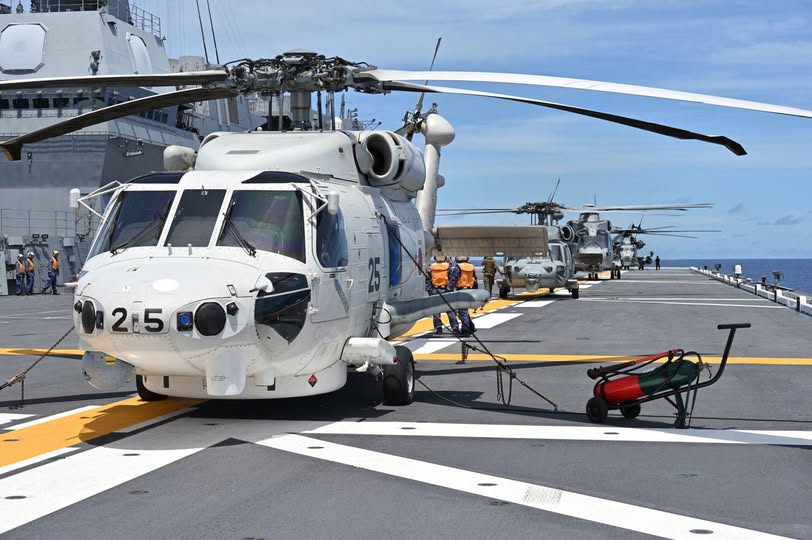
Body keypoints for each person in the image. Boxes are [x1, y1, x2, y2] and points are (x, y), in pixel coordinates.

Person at [427, 256, 459, 335]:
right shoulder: (448, 267)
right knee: (450, 310)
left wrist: (429, 290)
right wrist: (450, 289)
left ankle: (439, 328)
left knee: (436, 310)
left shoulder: (431, 268)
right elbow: (452, 279)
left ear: (435, 259)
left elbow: (428, 280)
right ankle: (455, 328)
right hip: (445, 289)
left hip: (435, 290)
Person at [454, 256, 478, 338]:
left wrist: (449, 289)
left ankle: (465, 330)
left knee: (462, 312)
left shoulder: (458, 267)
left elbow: (454, 278)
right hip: (469, 290)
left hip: (461, 290)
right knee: (465, 311)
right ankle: (471, 327)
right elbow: (474, 279)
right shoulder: (471, 267)